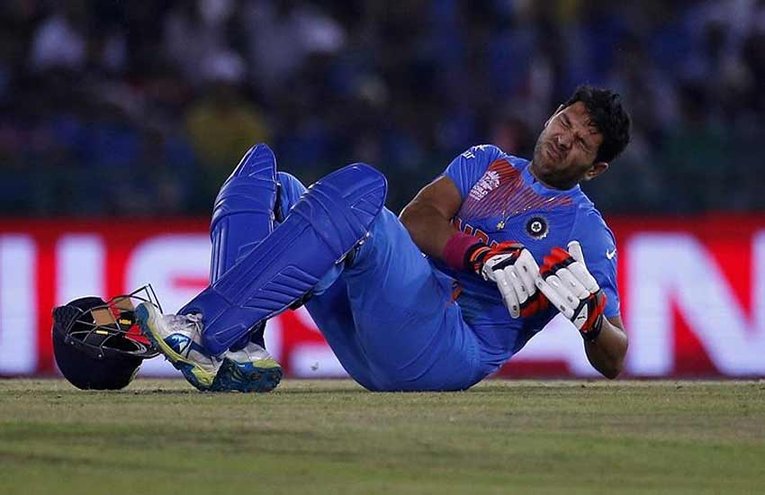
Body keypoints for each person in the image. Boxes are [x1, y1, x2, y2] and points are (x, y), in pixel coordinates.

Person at [137, 85, 631, 392]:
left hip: (447, 349)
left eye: (582, 142)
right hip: (380, 320)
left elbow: (614, 357)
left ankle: (204, 329)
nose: (564, 139)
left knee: (363, 192)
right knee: (267, 180)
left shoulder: (585, 230)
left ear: (596, 168)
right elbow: (419, 218)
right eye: (565, 122)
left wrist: (591, 323)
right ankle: (239, 352)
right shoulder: (488, 162)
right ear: (552, 114)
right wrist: (480, 254)